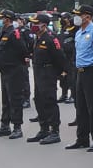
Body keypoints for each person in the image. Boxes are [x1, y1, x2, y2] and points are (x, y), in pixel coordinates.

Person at [66, 5, 93, 152]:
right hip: (80, 72)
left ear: (88, 17)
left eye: (79, 15)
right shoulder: (79, 33)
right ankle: (82, 139)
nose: (76, 17)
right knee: (81, 107)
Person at [0, 9, 30, 140]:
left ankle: (17, 127)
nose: (0, 20)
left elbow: (23, 50)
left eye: (2, 18)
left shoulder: (14, 33)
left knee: (15, 99)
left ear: (7, 19)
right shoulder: (4, 32)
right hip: (5, 71)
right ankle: (5, 125)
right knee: (6, 100)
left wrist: (14, 62)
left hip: (14, 70)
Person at [28, 12, 66, 144]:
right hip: (38, 71)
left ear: (43, 25)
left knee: (49, 101)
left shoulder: (51, 38)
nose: (33, 25)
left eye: (35, 23)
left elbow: (60, 58)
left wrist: (59, 73)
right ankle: (43, 128)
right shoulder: (37, 37)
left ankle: (54, 131)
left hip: (48, 72)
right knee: (39, 100)